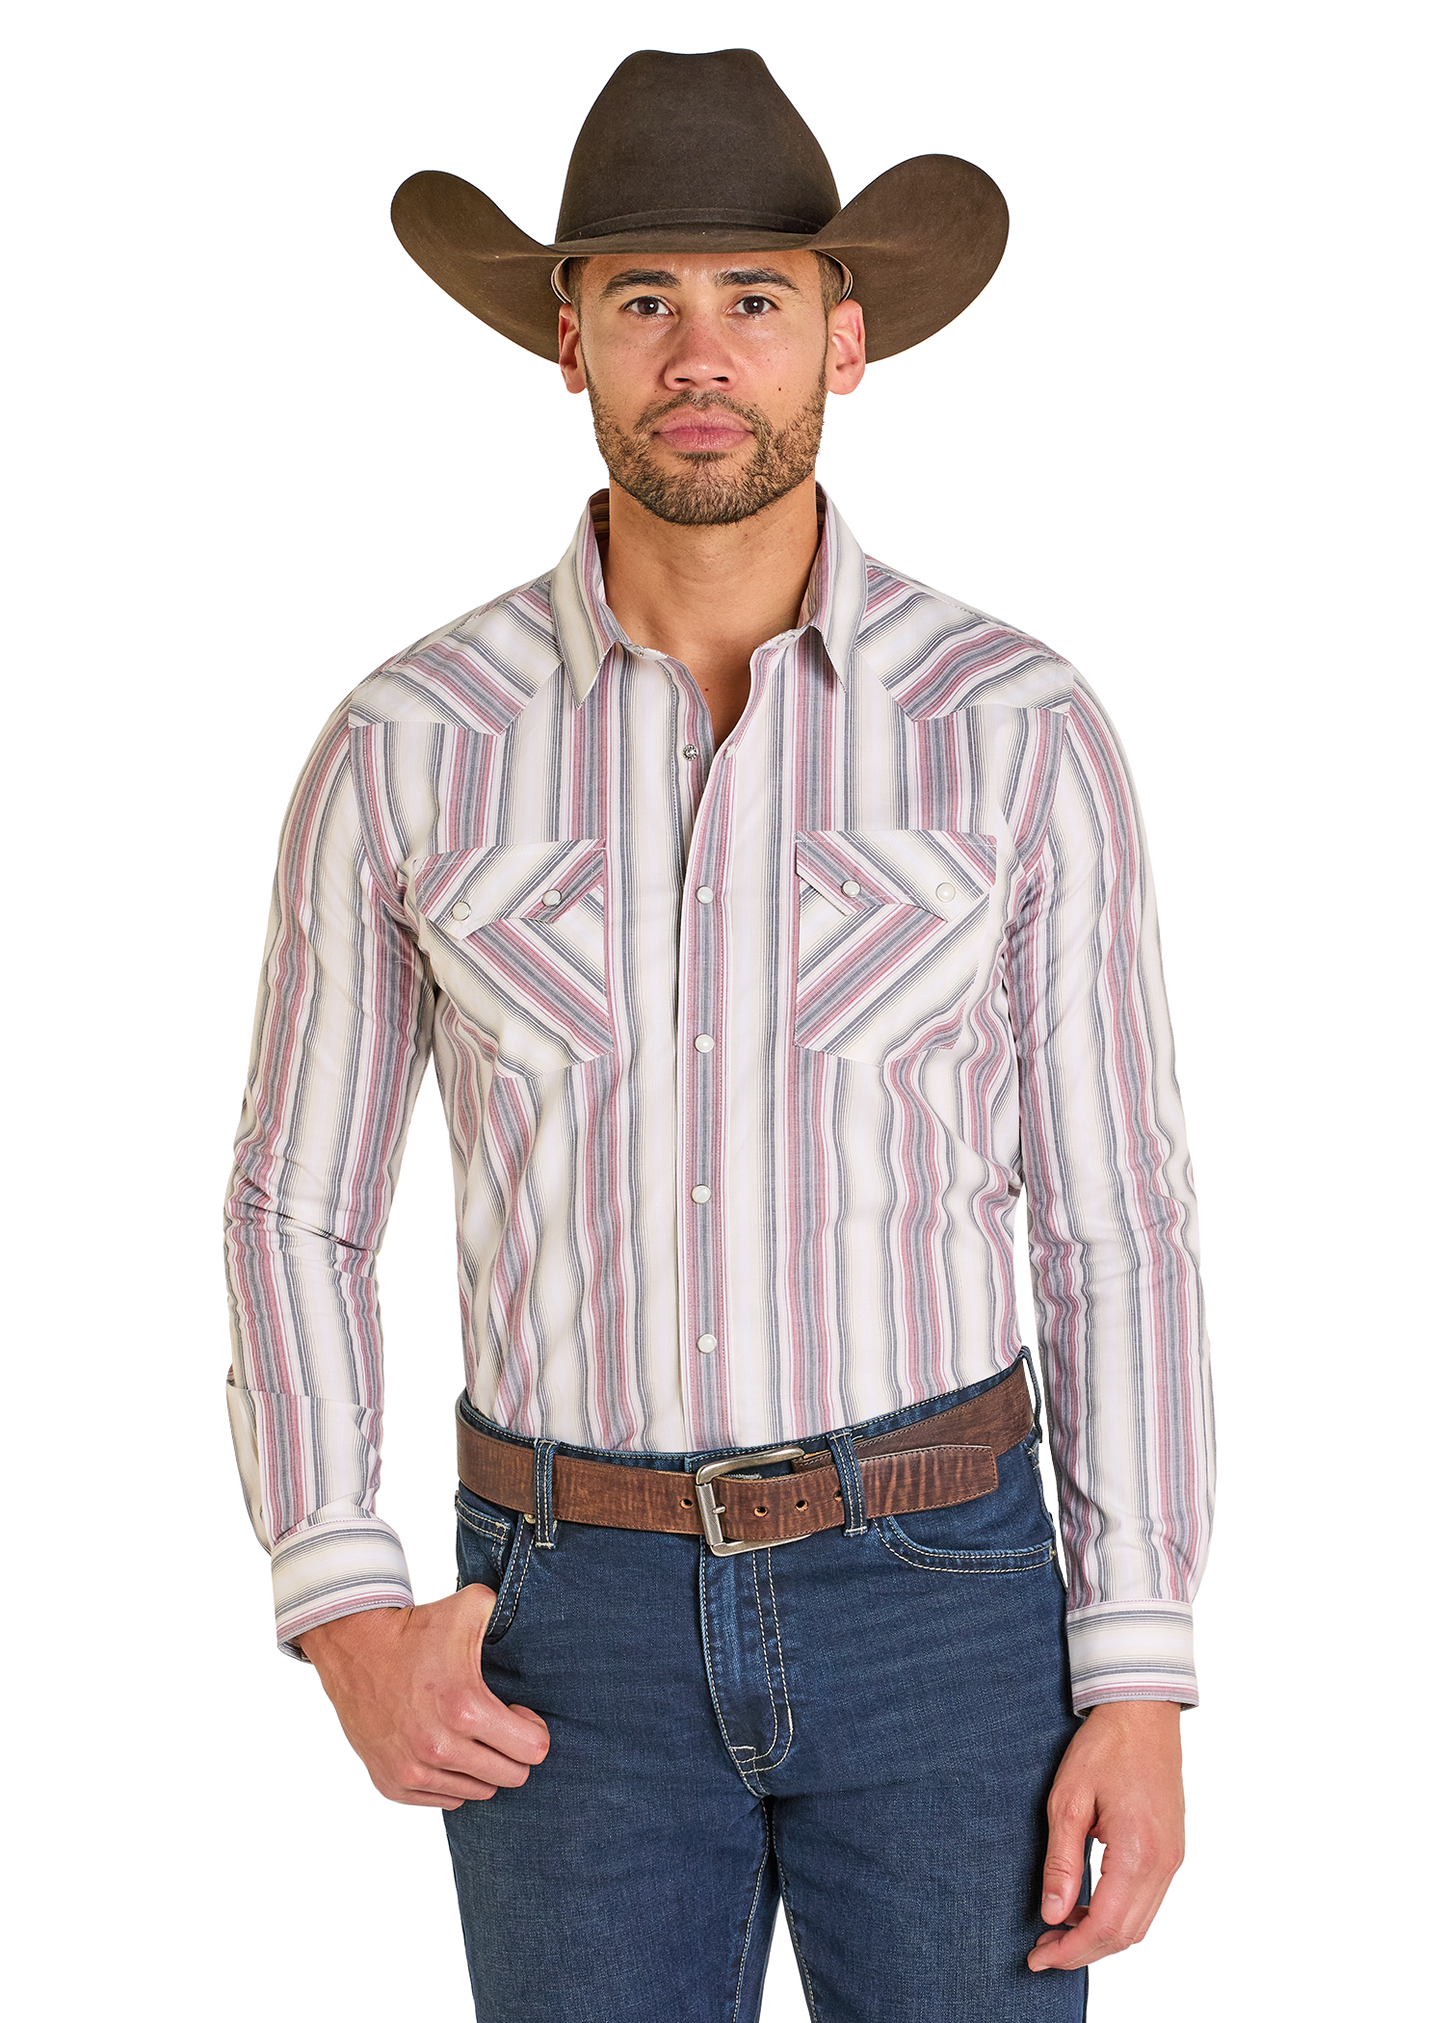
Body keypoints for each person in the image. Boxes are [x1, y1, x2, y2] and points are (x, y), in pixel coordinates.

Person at [221, 44, 1216, 2023]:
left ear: (842, 344)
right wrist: (338, 1596)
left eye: (753, 299)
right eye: (642, 299)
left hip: (949, 1603)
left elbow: (1114, 1226)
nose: (700, 350)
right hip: (553, 1619)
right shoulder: (403, 743)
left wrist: (1137, 1670)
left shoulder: (1015, 728)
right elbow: (294, 1210)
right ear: (564, 347)